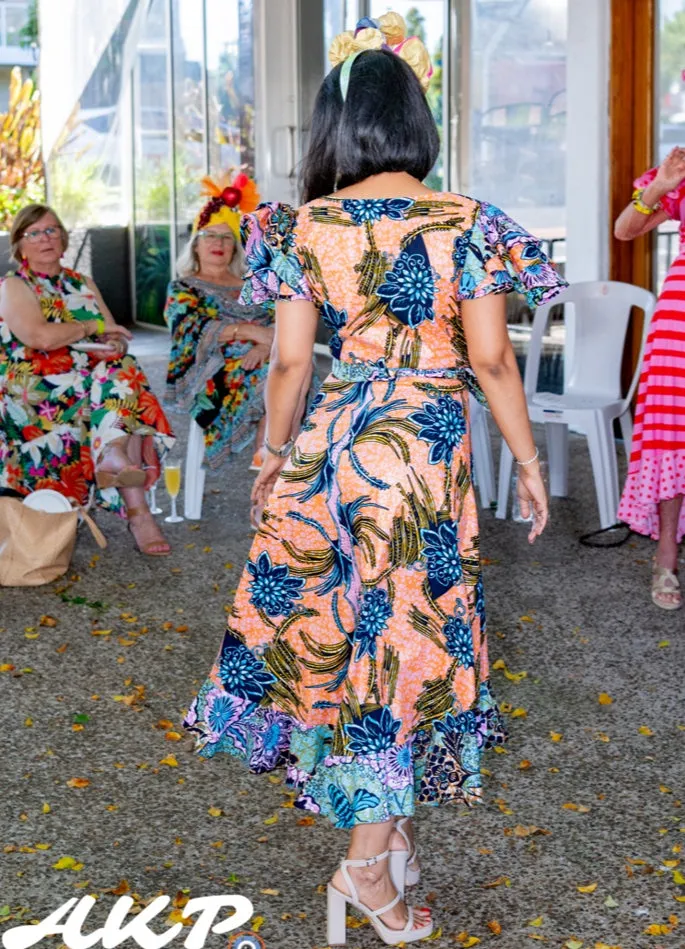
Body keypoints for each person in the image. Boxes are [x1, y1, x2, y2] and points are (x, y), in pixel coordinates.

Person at [183, 13, 565, 946]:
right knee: (404, 648)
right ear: (415, 123)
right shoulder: (465, 221)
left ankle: (381, 837)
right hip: (419, 456)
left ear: (333, 129)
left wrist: (271, 460)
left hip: (329, 447)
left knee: (344, 638)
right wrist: (525, 459)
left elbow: (286, 364)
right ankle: (364, 864)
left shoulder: (301, 224)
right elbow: (493, 361)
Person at [0, 203, 175, 556]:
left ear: (63, 239)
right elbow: (40, 337)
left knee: (121, 367)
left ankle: (114, 455)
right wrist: (92, 329)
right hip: (36, 385)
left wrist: (111, 344)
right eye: (33, 233)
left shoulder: (83, 283)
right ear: (19, 245)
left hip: (89, 376)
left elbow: (115, 334)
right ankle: (136, 509)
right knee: (119, 383)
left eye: (51, 230)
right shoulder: (14, 286)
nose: (44, 238)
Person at [165, 174, 275, 471]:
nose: (219, 243)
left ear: (235, 247)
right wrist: (251, 332)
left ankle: (270, 455)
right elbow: (189, 329)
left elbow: (282, 322)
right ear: (195, 245)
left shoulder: (252, 284)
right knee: (278, 375)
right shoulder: (183, 288)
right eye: (210, 235)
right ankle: (269, 455)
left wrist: (266, 347)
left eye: (227, 237)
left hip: (263, 359)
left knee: (293, 370)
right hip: (212, 371)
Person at [615, 147, 685, 610]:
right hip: (680, 322)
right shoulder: (681, 170)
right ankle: (666, 557)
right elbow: (625, 230)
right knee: (673, 434)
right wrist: (660, 185)